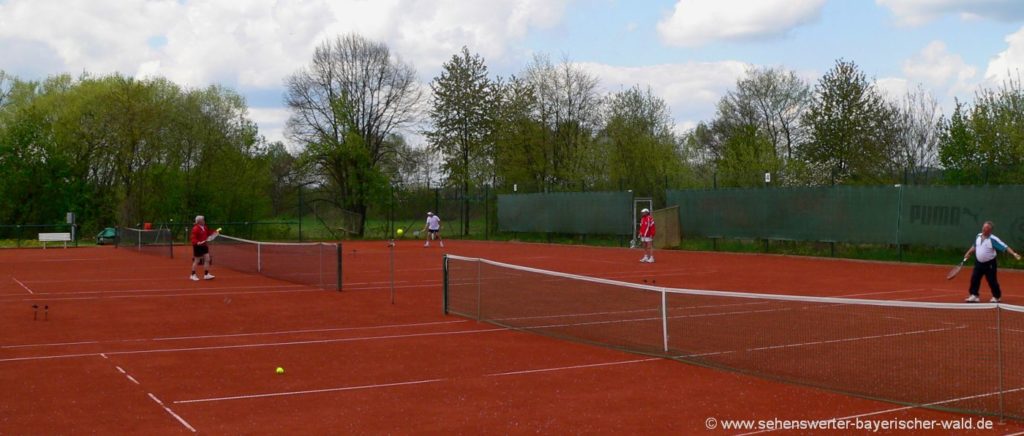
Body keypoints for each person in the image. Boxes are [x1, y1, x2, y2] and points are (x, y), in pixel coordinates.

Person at [962, 221, 1020, 302]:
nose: (984, 229)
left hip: (990, 264)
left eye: (986, 228)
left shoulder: (993, 239)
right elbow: (974, 245)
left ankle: (997, 297)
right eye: (983, 227)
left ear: (990, 230)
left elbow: (1005, 247)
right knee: (974, 278)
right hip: (978, 263)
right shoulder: (978, 236)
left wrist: (1014, 254)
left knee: (992, 281)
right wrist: (968, 252)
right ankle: (974, 295)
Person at [190, 215, 215, 281]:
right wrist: (197, 242)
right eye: (203, 220)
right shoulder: (195, 228)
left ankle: (206, 275)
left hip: (204, 245)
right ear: (199, 221)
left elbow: (208, 233)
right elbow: (193, 238)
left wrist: (214, 233)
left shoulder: (205, 227)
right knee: (197, 260)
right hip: (197, 246)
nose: (204, 221)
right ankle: (192, 275)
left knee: (207, 259)